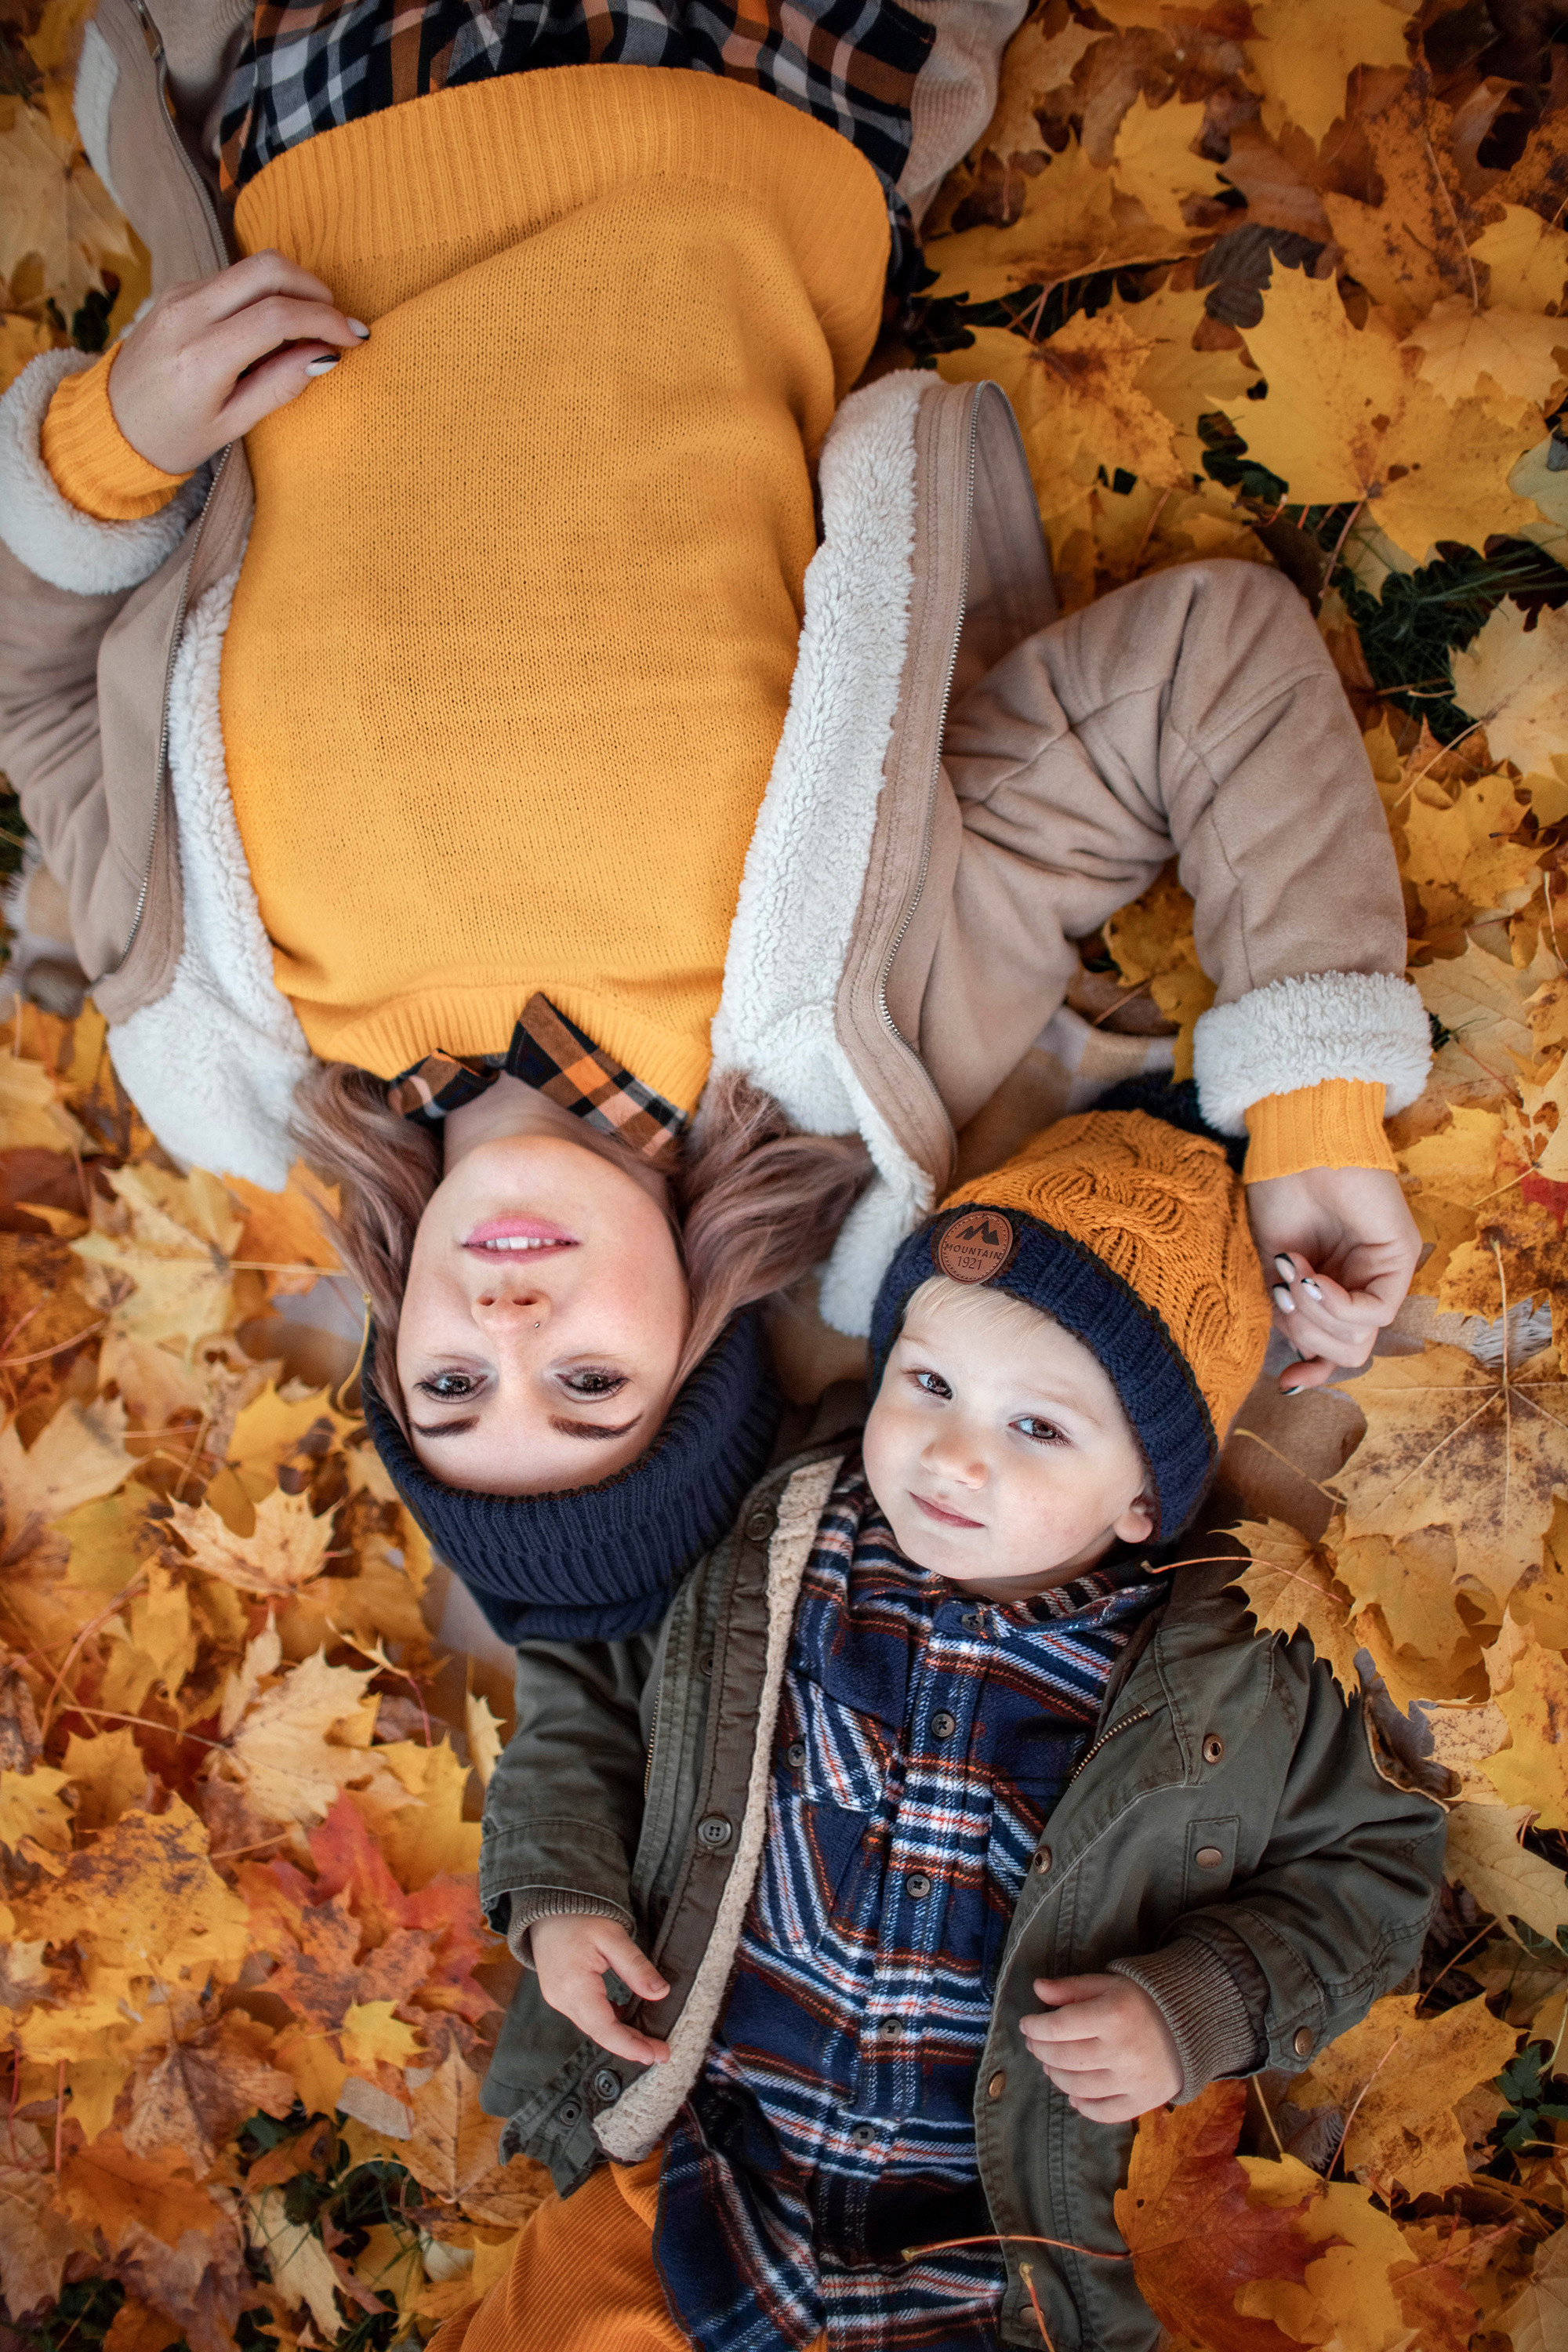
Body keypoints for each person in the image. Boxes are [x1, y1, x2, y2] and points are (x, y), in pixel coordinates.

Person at [0, 0, 1428, 1639]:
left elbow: (40, 703)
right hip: (761, 68)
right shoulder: (863, 1016)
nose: (510, 1315)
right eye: (591, 1382)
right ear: (700, 1334)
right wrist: (1316, 1111)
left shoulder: (227, 1029)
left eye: (455, 1382)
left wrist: (105, 455)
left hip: (324, 80)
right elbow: (1200, 671)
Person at [445, 1104, 1446, 2352]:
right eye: (927, 1383)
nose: (952, 1456)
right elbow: (590, 1671)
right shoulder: (769, 1542)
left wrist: (1199, 2005)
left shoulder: (1230, 1676)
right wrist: (560, 1889)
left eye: (1037, 1428)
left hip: (999, 2254)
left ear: (1145, 1496)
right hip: (694, 2165)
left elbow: (1376, 1869)